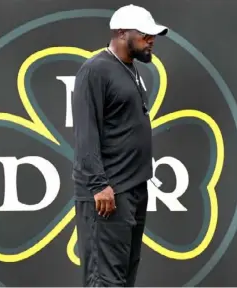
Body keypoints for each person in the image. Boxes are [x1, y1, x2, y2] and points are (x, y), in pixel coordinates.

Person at [71, 4, 168, 287]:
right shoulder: (95, 70)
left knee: (125, 277)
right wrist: (99, 185)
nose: (151, 40)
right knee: (106, 279)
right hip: (108, 194)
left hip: (132, 190)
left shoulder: (130, 69)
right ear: (121, 32)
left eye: (154, 35)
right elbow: (86, 133)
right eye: (145, 34)